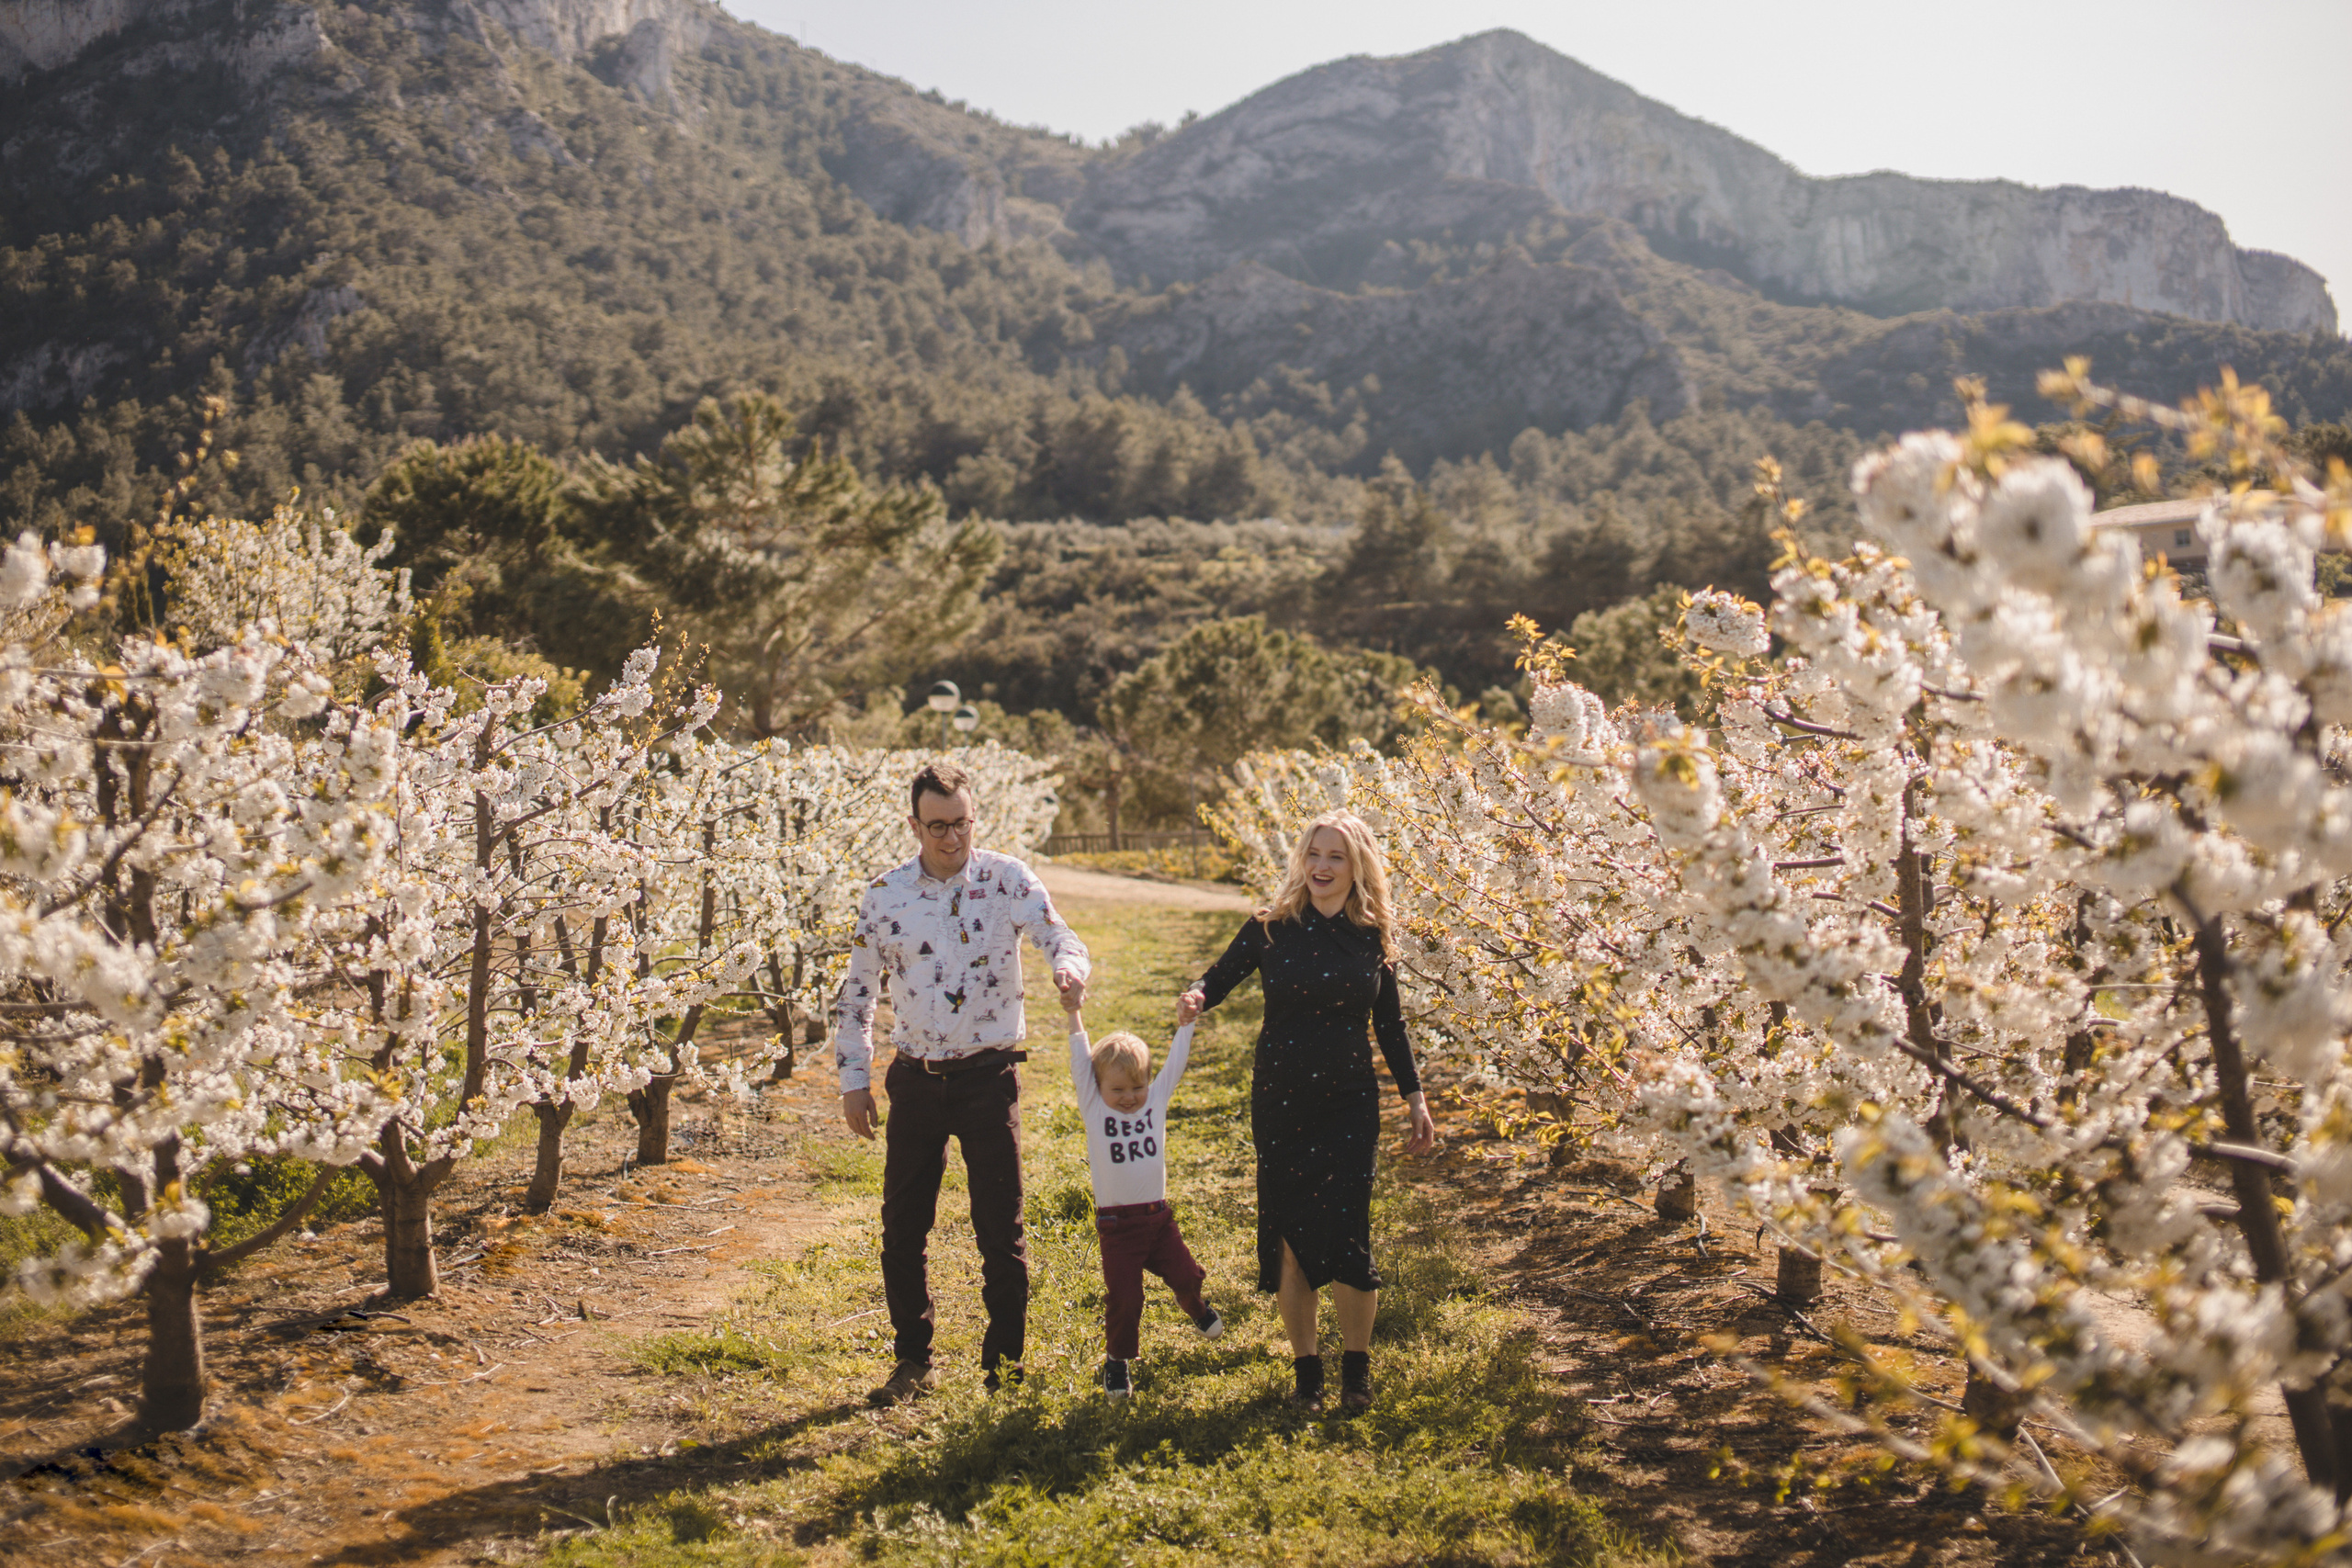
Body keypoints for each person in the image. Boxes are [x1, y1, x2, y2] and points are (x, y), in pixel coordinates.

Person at [834, 761, 1090, 1404]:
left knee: (1000, 1230)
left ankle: (1003, 1369)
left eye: (962, 823)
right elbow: (858, 993)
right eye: (938, 825)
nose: (952, 838)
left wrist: (1068, 968)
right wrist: (853, 1079)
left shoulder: (1007, 879)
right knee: (903, 1228)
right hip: (915, 1078)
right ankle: (912, 1360)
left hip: (987, 1074)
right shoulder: (884, 895)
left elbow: (1057, 933)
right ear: (915, 824)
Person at [1178, 809, 1436, 1413]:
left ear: (1357, 867)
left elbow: (1390, 1024)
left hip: (1348, 1101)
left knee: (1348, 1236)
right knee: (1291, 1237)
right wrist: (1197, 997)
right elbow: (1219, 977)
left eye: (1336, 856)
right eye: (1314, 853)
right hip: (1282, 1099)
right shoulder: (1271, 928)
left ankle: (1356, 1373)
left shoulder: (1373, 936)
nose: (1321, 866)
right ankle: (1307, 1376)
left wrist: (1415, 1097)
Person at [1064, 1001, 1226, 1399]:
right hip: (1117, 1227)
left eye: (1137, 1087)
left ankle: (1194, 1305)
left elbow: (1175, 1064)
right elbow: (1079, 1061)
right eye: (1117, 1089)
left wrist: (1185, 1025)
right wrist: (1073, 1013)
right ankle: (1116, 1363)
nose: (1129, 1097)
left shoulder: (1154, 1101)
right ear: (1098, 1087)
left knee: (1187, 1276)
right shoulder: (1094, 1107)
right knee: (1125, 1298)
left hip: (1158, 1221)